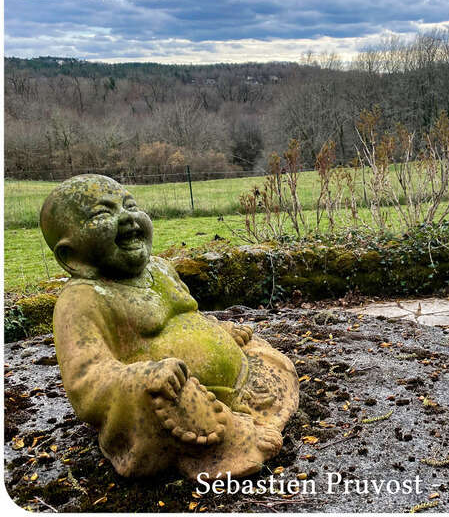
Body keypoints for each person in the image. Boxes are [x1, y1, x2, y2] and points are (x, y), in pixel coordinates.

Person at [40, 174, 298, 478]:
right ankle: (231, 437)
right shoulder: (81, 300)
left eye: (130, 205)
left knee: (263, 353)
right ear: (71, 256)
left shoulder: (161, 268)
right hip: (176, 396)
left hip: (240, 381)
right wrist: (143, 375)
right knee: (168, 398)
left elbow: (188, 319)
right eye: (102, 213)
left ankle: (250, 406)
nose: (127, 218)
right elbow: (87, 381)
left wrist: (220, 333)